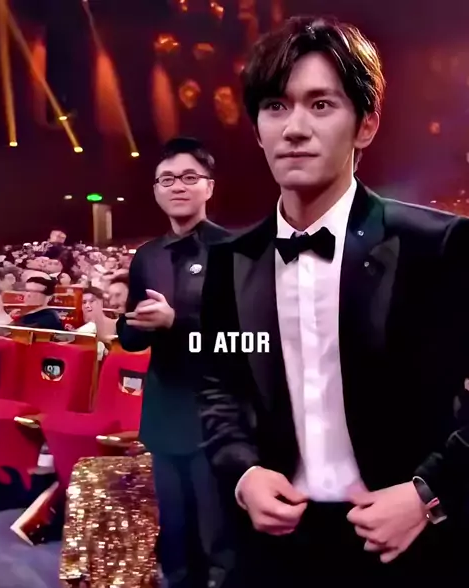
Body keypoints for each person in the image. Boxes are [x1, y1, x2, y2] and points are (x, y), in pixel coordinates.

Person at [198, 16, 469, 586]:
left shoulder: (436, 246)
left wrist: (429, 493)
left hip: (407, 540)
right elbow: (221, 386)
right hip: (275, 545)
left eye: (321, 105)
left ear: (365, 124)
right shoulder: (231, 261)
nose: (294, 128)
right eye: (276, 106)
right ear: (258, 129)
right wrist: (244, 474)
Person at [117, 137, 233, 588]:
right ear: (155, 190)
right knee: (175, 529)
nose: (177, 187)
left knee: (218, 534)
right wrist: (131, 325)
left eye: (189, 177)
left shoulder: (235, 250)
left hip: (217, 416)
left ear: (209, 187)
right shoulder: (147, 256)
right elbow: (132, 339)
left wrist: (176, 323)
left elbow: (250, 341)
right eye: (166, 179)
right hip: (163, 411)